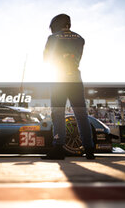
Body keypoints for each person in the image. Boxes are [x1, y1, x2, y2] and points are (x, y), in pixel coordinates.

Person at [43, 14, 95, 160]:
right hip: (75, 78)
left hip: (59, 78)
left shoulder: (52, 38)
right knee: (81, 114)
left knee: (58, 112)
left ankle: (58, 147)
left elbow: (46, 59)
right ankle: (89, 149)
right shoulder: (80, 38)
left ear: (56, 24)